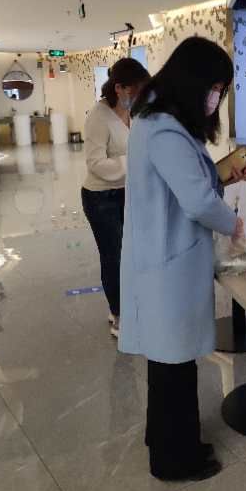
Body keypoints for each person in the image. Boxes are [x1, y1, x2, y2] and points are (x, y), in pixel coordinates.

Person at [119, 37, 246, 482]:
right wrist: (234, 225)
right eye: (216, 88)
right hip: (167, 264)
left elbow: (192, 180)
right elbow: (197, 200)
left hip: (165, 257)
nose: (217, 98)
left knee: (169, 365)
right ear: (195, 82)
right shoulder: (163, 130)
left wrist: (224, 173)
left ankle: (166, 442)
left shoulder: (159, 121)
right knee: (173, 367)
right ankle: (176, 460)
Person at [81, 57, 150, 338]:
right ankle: (119, 316)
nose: (139, 96)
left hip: (126, 192)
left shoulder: (132, 112)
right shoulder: (98, 117)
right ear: (119, 88)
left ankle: (128, 306)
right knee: (113, 256)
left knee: (130, 253)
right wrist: (131, 161)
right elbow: (95, 163)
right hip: (101, 197)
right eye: (135, 90)